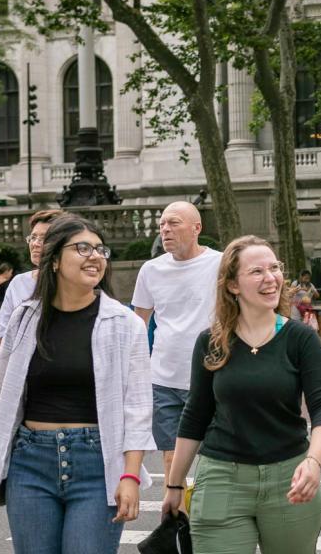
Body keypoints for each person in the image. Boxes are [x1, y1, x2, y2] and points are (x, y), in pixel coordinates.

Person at [0, 215, 155, 552]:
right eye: (82, 248)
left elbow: (137, 408)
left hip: (96, 464)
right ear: (54, 260)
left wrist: (130, 476)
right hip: (30, 463)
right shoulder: (24, 319)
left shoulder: (124, 324)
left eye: (100, 249)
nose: (95, 256)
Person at [161, 236, 321, 554]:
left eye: (275, 268)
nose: (270, 278)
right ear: (232, 285)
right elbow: (195, 414)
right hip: (221, 480)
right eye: (257, 271)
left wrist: (313, 462)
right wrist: (175, 484)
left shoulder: (301, 339)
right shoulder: (210, 343)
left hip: (290, 478)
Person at [132, 202, 222, 492]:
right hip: (164, 380)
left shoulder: (221, 264)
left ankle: (210, 517)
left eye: (173, 223)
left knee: (215, 458)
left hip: (212, 375)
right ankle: (176, 523)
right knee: (172, 458)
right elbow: (138, 324)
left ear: (197, 228)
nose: (165, 230)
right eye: (162, 225)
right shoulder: (150, 270)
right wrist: (134, 371)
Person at [0, 209, 66, 376]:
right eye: (33, 237)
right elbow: (4, 333)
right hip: (24, 374)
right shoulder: (19, 283)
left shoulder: (75, 282)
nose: (36, 243)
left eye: (44, 238)